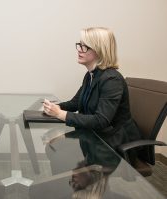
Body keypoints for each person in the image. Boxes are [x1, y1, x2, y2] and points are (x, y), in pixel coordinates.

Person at [43, 27, 141, 159]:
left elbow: (101, 120)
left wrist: (60, 114)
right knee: (54, 146)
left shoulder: (112, 80)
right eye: (80, 45)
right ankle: (76, 179)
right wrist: (55, 108)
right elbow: (75, 103)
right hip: (97, 135)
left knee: (58, 151)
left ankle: (78, 178)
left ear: (100, 49)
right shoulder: (91, 75)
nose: (79, 50)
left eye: (85, 46)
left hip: (113, 142)